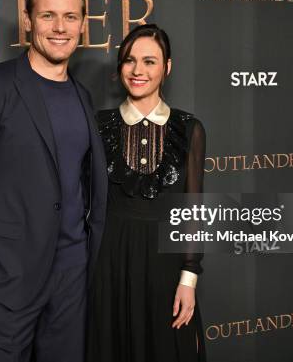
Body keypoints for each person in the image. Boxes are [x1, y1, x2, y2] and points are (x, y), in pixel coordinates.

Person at [0, 0, 107, 362]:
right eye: (48, 15)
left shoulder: (83, 96)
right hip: (6, 279)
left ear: (83, 24)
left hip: (72, 276)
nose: (60, 27)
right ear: (29, 20)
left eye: (70, 17)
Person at [87, 24, 206, 362]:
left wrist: (189, 278)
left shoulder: (189, 128)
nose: (138, 71)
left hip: (165, 266)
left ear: (167, 67)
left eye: (150, 61)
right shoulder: (98, 124)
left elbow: (192, 208)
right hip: (108, 264)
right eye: (129, 60)